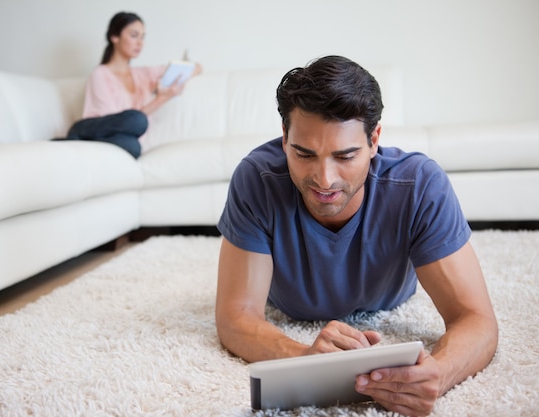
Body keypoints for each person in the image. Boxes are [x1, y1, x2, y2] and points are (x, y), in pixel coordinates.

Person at [215, 55, 498, 416]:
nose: (324, 179)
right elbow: (235, 316)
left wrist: (440, 373)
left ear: (374, 139)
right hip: (290, 309)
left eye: (345, 155)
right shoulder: (256, 179)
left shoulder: (419, 185)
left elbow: (477, 320)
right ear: (285, 138)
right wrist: (305, 357)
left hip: (391, 298)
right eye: (303, 153)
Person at [66, 12, 201, 158]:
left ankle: (80, 144)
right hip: (91, 129)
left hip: (120, 139)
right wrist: (162, 98)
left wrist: (174, 79)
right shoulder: (100, 74)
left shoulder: (143, 74)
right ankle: (76, 137)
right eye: (134, 35)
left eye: (143, 37)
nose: (140, 42)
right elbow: (114, 122)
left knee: (133, 146)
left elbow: (197, 67)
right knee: (137, 120)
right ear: (115, 37)